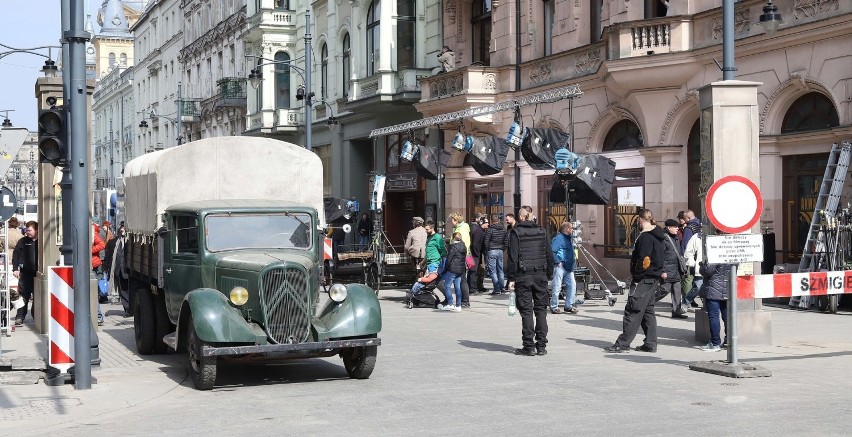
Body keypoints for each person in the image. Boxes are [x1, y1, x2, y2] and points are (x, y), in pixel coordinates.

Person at [604, 209, 665, 353]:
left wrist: (637, 277)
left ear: (640, 220)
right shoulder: (658, 234)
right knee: (647, 311)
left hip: (643, 279)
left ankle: (622, 344)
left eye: (638, 220)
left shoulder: (645, 237)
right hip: (652, 278)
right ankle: (650, 343)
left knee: (633, 310)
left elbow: (644, 260)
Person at [507, 206, 554, 356]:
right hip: (540, 275)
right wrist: (549, 274)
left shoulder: (516, 233)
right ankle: (541, 346)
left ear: (520, 217)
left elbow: (513, 258)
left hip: (523, 276)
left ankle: (529, 346)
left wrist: (511, 278)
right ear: (532, 216)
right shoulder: (542, 231)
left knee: (526, 311)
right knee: (541, 311)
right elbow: (550, 255)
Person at [698, 261, 731, 351]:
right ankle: (729, 340)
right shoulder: (731, 254)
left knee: (714, 316)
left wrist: (702, 265)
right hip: (727, 289)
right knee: (727, 316)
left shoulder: (715, 253)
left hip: (713, 290)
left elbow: (707, 271)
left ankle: (715, 343)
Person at [12, 221, 39, 326]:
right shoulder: (22, 241)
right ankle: (20, 317)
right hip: (25, 274)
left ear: (36, 230)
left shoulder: (41, 241)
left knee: (37, 296)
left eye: (29, 230)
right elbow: (16, 255)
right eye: (26, 230)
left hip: (37, 274)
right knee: (23, 296)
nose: (27, 232)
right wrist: (15, 269)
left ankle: (36, 316)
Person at [661, 218, 688, 319]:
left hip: (676, 270)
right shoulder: (664, 238)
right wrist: (662, 271)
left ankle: (676, 311)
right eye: (675, 227)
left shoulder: (676, 237)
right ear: (669, 228)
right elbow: (660, 256)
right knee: (664, 290)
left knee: (677, 291)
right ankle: (648, 304)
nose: (677, 228)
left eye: (678, 226)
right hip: (667, 270)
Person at [550, 222, 577, 314]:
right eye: (571, 228)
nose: (572, 230)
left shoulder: (569, 238)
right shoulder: (559, 238)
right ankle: (554, 306)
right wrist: (557, 262)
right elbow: (552, 251)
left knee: (572, 285)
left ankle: (568, 306)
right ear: (567, 229)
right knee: (557, 287)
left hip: (569, 267)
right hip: (560, 266)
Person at [448, 212, 472, 307]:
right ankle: (463, 300)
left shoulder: (461, 229)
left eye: (452, 221)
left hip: (461, 257)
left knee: (462, 279)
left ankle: (465, 301)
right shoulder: (459, 228)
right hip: (461, 256)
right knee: (460, 279)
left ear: (456, 221)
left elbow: (464, 244)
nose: (451, 222)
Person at [439, 232, 466, 312]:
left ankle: (450, 303)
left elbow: (449, 259)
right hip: (461, 269)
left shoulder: (453, 247)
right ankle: (458, 305)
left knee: (447, 285)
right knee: (457, 286)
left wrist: (445, 269)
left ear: (453, 238)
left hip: (453, 269)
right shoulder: (463, 246)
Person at [483, 213, 507, 295]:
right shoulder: (503, 229)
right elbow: (506, 241)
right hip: (500, 250)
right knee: (500, 270)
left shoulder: (490, 230)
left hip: (492, 250)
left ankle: (497, 289)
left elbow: (486, 241)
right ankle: (502, 288)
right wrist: (502, 249)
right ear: (498, 220)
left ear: (491, 220)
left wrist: (487, 250)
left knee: (492, 271)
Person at [682, 229, 705, 310]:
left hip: (715, 268)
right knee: (698, 287)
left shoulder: (719, 236)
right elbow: (688, 251)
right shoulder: (697, 236)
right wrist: (692, 263)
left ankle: (706, 306)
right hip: (701, 267)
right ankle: (686, 301)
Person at [467, 214, 487, 296]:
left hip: (470, 253)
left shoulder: (472, 227)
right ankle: (472, 289)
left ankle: (471, 288)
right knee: (473, 271)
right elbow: (475, 244)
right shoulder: (478, 230)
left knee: (471, 271)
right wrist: (477, 253)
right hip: (474, 254)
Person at [92, 223, 107, 325]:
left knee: (93, 291)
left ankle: (98, 316)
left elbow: (102, 244)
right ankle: (97, 316)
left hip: (93, 265)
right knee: (93, 291)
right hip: (93, 263)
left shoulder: (92, 231)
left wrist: (90, 251)